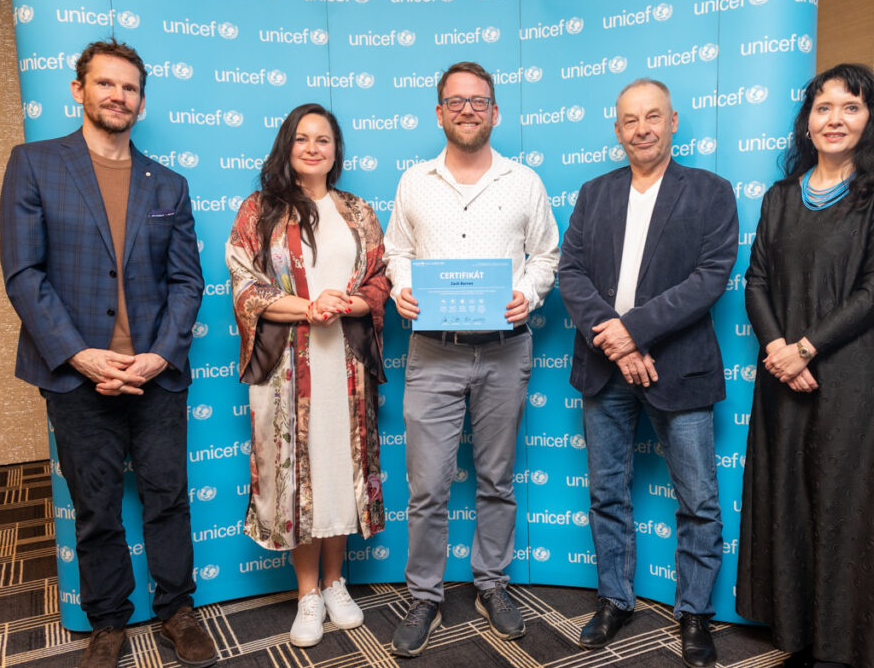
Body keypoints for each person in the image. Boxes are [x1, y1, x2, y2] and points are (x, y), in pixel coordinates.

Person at [0, 39, 215, 668]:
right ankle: (108, 623)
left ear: (141, 101)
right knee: (94, 508)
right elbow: (24, 274)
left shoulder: (168, 183)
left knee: (168, 499)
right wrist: (79, 355)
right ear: (79, 89)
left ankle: (177, 610)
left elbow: (187, 282)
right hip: (76, 379)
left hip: (155, 377)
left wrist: (159, 356)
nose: (118, 96)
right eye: (105, 83)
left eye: (129, 88)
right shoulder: (34, 163)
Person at [736, 63, 874, 668]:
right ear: (807, 122)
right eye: (823, 107)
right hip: (785, 376)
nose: (835, 119)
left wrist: (805, 348)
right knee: (792, 500)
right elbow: (756, 281)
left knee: (849, 505)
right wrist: (778, 350)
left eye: (851, 107)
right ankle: (799, 633)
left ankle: (847, 646)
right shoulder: (780, 196)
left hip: (859, 376)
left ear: (872, 119)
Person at [558, 78, 737, 668]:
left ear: (673, 121)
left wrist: (632, 331)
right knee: (606, 493)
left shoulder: (711, 192)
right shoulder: (594, 194)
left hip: (678, 366)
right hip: (605, 367)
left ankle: (695, 612)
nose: (642, 129)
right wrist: (617, 341)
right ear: (617, 130)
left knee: (698, 499)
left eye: (653, 116)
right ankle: (615, 599)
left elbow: (710, 277)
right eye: (630, 120)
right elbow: (571, 272)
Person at [384, 61, 560, 657]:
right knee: (427, 486)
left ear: (494, 111)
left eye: (478, 101)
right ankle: (424, 596)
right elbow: (396, 251)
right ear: (439, 112)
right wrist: (402, 287)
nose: (467, 110)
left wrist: (529, 292)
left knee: (496, 479)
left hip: (506, 350)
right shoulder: (414, 181)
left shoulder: (524, 182)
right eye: (455, 101)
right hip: (434, 350)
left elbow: (547, 255)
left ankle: (492, 583)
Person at [225, 103, 390, 647]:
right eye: (302, 138)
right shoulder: (259, 210)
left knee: (341, 469)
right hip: (286, 368)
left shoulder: (358, 210)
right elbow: (244, 284)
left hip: (346, 364)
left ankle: (336, 582)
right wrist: (308, 307)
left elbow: (380, 279)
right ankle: (307, 594)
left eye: (324, 139)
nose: (313, 148)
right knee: (298, 475)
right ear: (287, 147)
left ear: (336, 150)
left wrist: (348, 304)